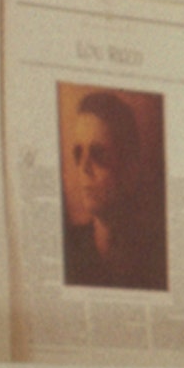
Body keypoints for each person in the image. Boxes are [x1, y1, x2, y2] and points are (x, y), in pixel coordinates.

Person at [59, 89, 167, 292]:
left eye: (98, 155)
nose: (84, 168)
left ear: (130, 168)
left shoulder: (157, 254)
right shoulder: (68, 247)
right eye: (78, 154)